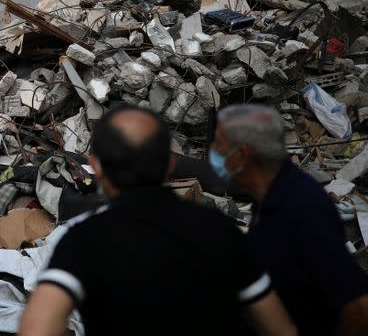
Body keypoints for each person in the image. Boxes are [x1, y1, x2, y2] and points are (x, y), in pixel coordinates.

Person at [19, 105, 296, 336]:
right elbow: (280, 329)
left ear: (97, 167)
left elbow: (38, 329)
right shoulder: (220, 230)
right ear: (170, 165)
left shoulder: (82, 241)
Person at [211, 104, 368, 336]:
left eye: (219, 145)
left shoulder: (302, 208)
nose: (213, 153)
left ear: (243, 154)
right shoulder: (269, 199)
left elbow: (358, 306)